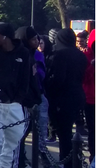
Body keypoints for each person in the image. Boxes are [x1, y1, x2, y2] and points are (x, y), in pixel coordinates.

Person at [0, 22, 30, 168]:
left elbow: (25, 78)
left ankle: (6, 166)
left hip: (15, 105)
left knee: (12, 142)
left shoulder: (23, 53)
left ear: (5, 37)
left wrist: (18, 99)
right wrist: (0, 94)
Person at [45, 28, 87, 168]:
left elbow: (58, 78)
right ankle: (73, 161)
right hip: (78, 94)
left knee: (64, 134)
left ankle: (66, 162)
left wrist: (49, 88)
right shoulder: (80, 55)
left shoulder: (59, 54)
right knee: (72, 132)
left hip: (62, 97)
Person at [15, 26, 48, 168]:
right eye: (33, 39)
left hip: (34, 97)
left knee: (27, 131)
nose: (36, 42)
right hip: (24, 100)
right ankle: (19, 161)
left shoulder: (32, 54)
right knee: (21, 133)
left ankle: (22, 158)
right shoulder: (22, 56)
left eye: (37, 39)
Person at [82, 30, 95, 162]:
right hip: (91, 99)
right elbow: (83, 79)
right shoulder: (86, 56)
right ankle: (93, 154)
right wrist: (92, 67)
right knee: (93, 130)